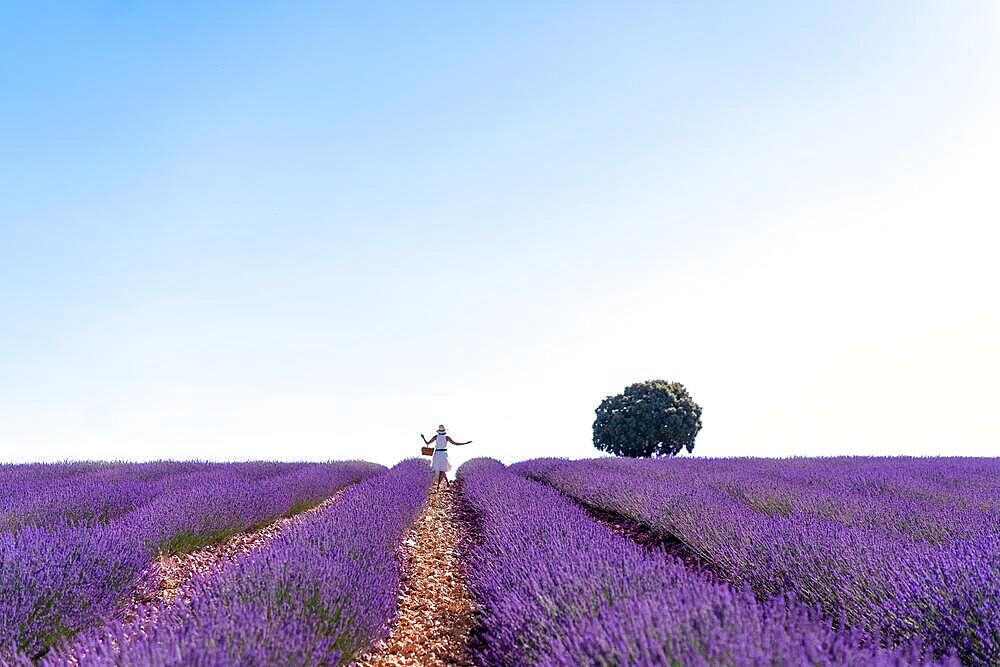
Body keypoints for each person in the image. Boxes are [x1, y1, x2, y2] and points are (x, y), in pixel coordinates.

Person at [421, 424, 472, 491]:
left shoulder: (436, 437)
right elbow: (455, 443)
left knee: (440, 470)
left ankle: (439, 486)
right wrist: (465, 443)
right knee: (442, 470)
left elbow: (427, 443)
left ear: (439, 431)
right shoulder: (446, 437)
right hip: (443, 454)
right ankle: (445, 484)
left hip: (437, 454)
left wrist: (423, 437)